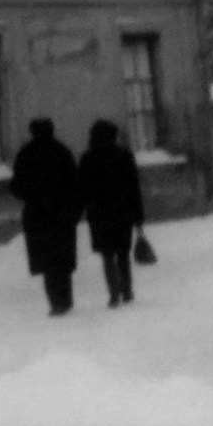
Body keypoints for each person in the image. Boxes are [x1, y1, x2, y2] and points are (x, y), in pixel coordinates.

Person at [8, 117, 83, 315]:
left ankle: (55, 302)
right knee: (62, 261)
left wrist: (33, 196)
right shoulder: (62, 152)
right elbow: (75, 185)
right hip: (62, 214)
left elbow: (16, 187)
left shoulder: (26, 154)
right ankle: (65, 299)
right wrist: (75, 211)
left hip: (38, 215)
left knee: (47, 261)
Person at [79, 118, 146, 308]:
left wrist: (83, 208)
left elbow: (82, 188)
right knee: (123, 254)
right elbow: (134, 187)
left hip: (99, 215)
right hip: (122, 212)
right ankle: (127, 290)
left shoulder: (88, 158)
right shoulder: (124, 156)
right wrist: (138, 217)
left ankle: (113, 293)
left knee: (107, 255)